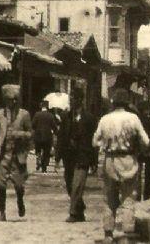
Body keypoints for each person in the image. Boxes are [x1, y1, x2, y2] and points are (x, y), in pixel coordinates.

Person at [93, 88, 150, 243]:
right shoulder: (133, 118)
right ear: (127, 103)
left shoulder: (105, 119)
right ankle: (127, 233)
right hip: (128, 159)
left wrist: (106, 144)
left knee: (109, 197)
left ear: (113, 103)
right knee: (129, 197)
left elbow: (95, 141)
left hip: (110, 160)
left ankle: (108, 233)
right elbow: (146, 141)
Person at [0, 84, 32, 221]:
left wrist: (20, 134)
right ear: (5, 100)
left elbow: (31, 133)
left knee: (19, 185)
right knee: (1, 185)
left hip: (17, 156)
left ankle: (20, 200)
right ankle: (2, 212)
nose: (13, 102)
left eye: (15, 99)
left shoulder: (24, 115)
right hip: (2, 156)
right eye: (10, 99)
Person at [56, 87, 96, 222]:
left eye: (74, 98)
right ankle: (80, 209)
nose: (71, 100)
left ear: (80, 100)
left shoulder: (89, 118)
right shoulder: (65, 116)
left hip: (83, 155)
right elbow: (61, 137)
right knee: (69, 185)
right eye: (70, 98)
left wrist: (94, 160)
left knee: (77, 185)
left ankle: (73, 213)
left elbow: (93, 141)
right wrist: (58, 156)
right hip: (68, 156)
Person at [32, 100, 57, 173]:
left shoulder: (37, 114)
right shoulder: (50, 115)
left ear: (41, 106)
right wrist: (56, 132)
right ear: (47, 107)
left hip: (38, 136)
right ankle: (44, 168)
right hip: (47, 136)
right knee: (46, 152)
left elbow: (33, 125)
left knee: (38, 149)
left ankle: (38, 158)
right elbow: (54, 126)